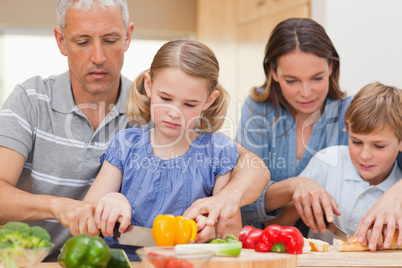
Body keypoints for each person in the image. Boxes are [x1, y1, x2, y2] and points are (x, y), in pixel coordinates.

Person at [0, 0, 269, 261]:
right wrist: (103, 202)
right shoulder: (34, 100)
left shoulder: (200, 140)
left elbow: (251, 172)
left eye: (110, 39)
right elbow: (89, 214)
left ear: (128, 36)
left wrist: (223, 206)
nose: (98, 56)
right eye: (83, 41)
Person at [236, 17, 402, 249]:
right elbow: (243, 197)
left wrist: (395, 196)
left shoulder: (354, 112)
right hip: (278, 243)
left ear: (331, 67)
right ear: (273, 72)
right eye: (292, 80)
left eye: (317, 78)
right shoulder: (258, 111)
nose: (306, 93)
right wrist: (295, 187)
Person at [77, 39, 243, 260]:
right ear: (149, 86)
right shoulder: (126, 145)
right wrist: (111, 200)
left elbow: (232, 234)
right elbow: (82, 221)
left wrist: (212, 231)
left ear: (209, 100)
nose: (174, 112)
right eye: (165, 98)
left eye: (189, 104)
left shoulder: (218, 152)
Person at [264, 82, 402, 246]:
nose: (365, 155)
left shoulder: (397, 190)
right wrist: (303, 206)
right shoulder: (328, 161)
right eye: (356, 142)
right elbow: (274, 225)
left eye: (379, 146)